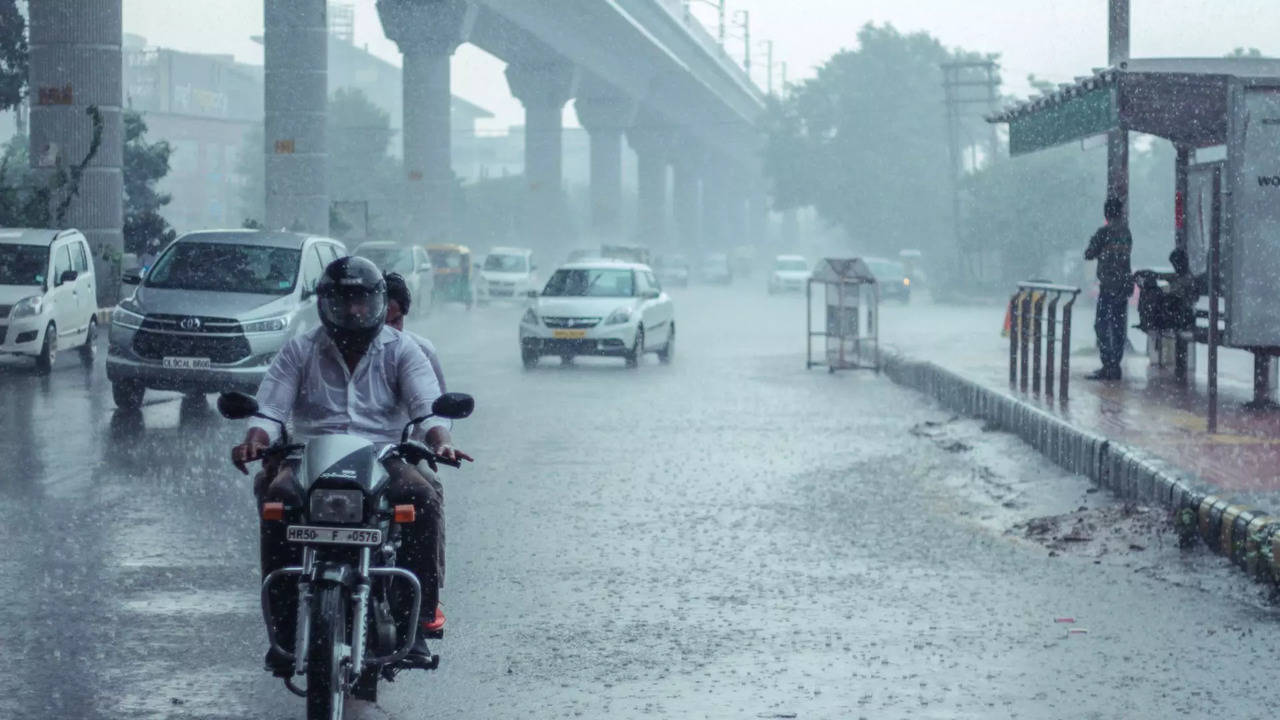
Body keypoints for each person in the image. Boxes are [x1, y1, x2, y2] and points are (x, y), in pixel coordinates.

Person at [229, 256, 471, 675]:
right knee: (275, 498)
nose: (354, 310)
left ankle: (416, 621)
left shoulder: (403, 350)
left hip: (383, 455)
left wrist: (442, 442)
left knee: (423, 497)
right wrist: (255, 441)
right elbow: (270, 410)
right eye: (344, 301)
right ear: (326, 304)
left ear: (378, 303)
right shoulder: (300, 349)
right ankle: (283, 626)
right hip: (310, 454)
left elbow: (427, 410)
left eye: (361, 300)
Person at [1084, 197, 1133, 380]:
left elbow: (1089, 254)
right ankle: (1116, 365)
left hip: (1108, 287)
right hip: (1123, 286)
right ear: (1120, 212)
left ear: (1106, 213)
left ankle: (1108, 365)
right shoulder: (1126, 232)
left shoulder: (1103, 232)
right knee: (1118, 326)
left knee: (1102, 325)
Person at [1135, 249, 1202, 333]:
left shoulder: (1187, 279)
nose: (1175, 267)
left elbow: (1173, 290)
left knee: (1153, 293)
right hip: (1174, 315)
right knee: (1150, 291)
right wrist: (1149, 274)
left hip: (1180, 317)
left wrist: (1155, 289)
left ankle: (1149, 321)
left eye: (1175, 264)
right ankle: (1147, 321)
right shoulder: (1181, 276)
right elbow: (1162, 276)